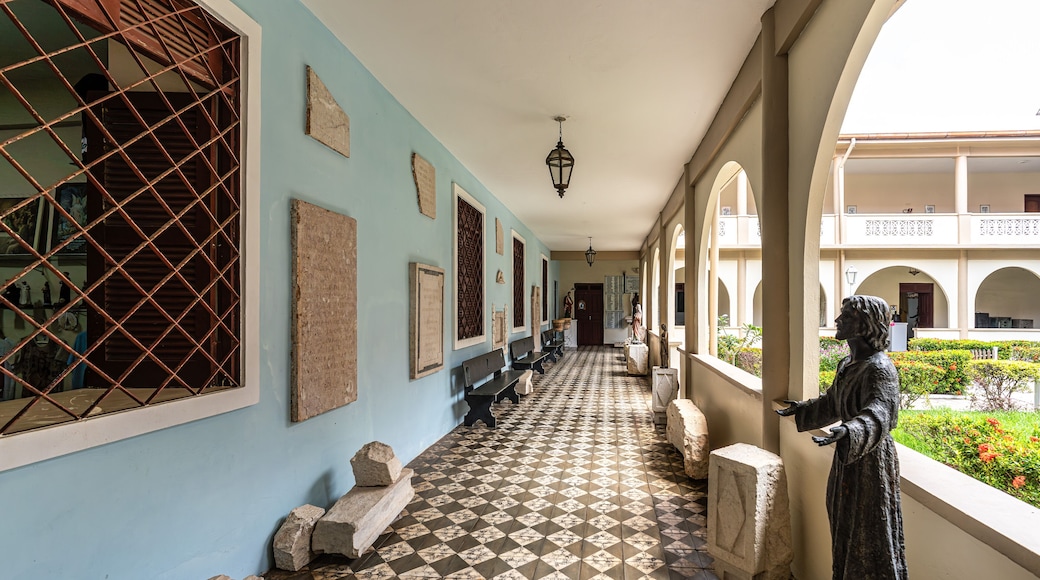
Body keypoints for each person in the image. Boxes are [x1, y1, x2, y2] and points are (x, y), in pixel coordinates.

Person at [777, 295, 908, 580]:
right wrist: (803, 409)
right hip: (848, 458)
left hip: (871, 462)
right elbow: (833, 402)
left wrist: (851, 430)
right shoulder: (848, 364)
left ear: (865, 324)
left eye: (846, 316)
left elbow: (882, 413)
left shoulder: (879, 368)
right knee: (843, 526)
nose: (838, 320)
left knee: (868, 534)